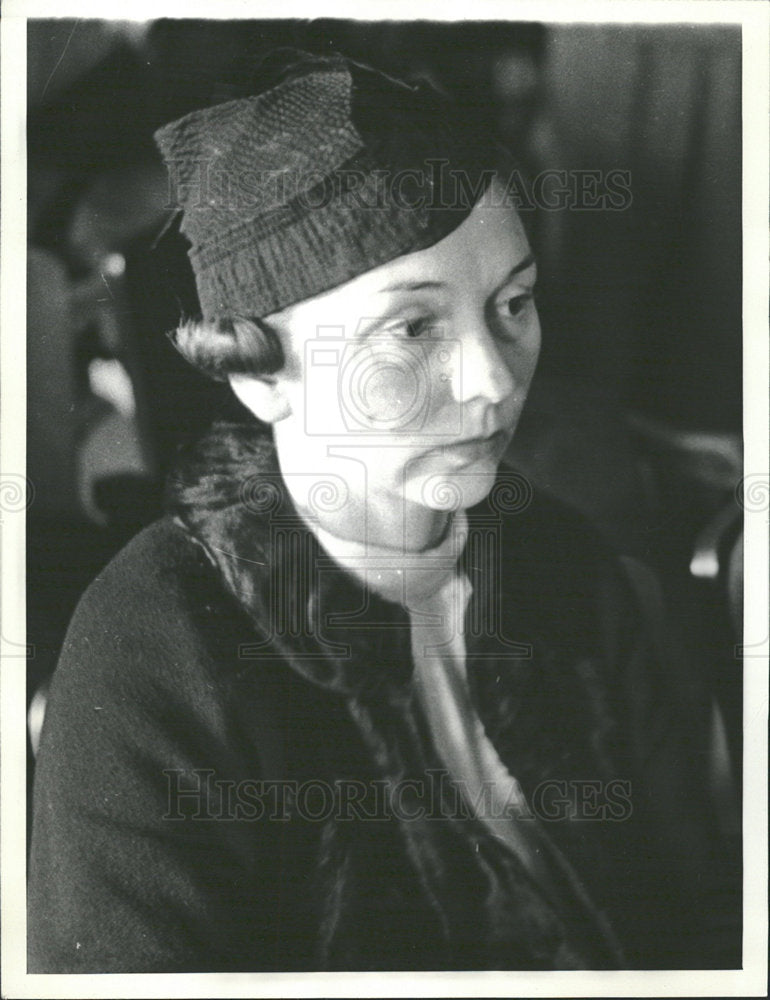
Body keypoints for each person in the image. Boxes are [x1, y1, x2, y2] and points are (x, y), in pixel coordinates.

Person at [27, 49, 740, 973]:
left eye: (513, 303)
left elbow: (693, 917)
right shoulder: (156, 654)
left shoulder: (565, 566)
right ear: (260, 375)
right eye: (413, 328)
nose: (493, 380)